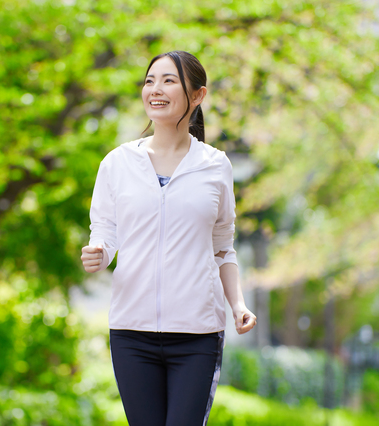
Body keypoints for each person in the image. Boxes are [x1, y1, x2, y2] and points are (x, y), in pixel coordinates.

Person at [81, 50, 256, 426]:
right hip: (132, 332)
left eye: (168, 80)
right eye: (149, 81)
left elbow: (222, 246)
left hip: (197, 334)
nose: (155, 89)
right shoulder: (117, 163)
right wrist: (100, 251)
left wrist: (238, 304)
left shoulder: (214, 166)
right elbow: (106, 231)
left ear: (197, 96)